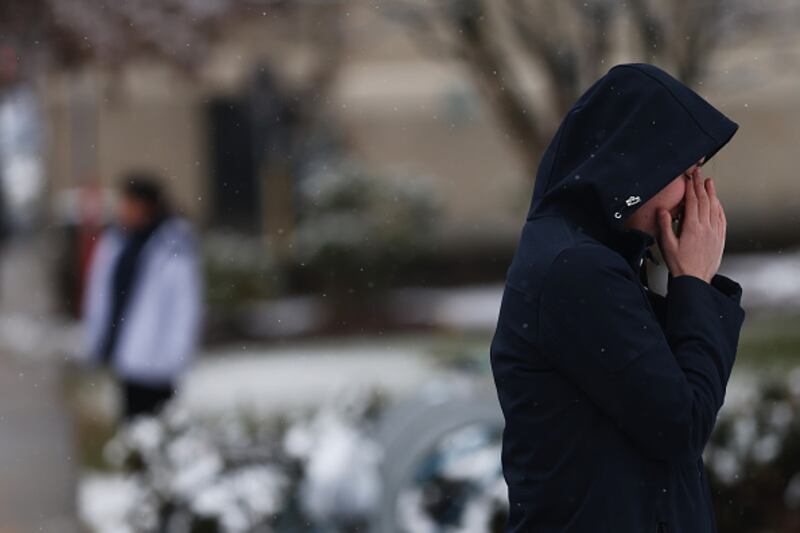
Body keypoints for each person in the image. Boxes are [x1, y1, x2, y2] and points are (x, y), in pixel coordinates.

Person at [489, 63, 745, 532]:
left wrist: (676, 280)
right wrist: (694, 282)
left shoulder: (593, 255)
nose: (696, 190)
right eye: (683, 169)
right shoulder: (577, 269)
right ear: (636, 166)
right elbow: (680, 425)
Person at [81, 172, 203, 421]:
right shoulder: (117, 242)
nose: (122, 209)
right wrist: (98, 341)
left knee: (155, 426)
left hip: (158, 362)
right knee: (132, 424)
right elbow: (102, 298)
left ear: (144, 206)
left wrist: (176, 355)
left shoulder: (173, 246)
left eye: (127, 203)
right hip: (126, 356)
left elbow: (185, 306)